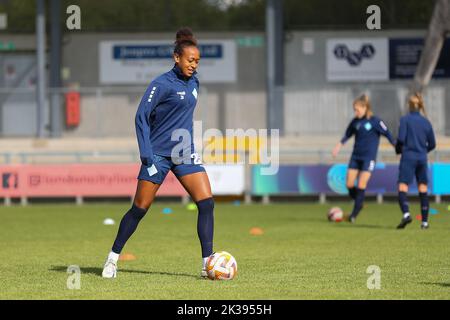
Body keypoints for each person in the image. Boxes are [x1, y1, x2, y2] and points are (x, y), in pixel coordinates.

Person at [102, 28, 214, 278]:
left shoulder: (194, 82)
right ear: (177, 58)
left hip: (185, 153)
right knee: (140, 209)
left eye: (197, 61)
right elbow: (141, 117)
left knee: (206, 203)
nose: (194, 65)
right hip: (158, 156)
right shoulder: (161, 84)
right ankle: (112, 259)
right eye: (190, 60)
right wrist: (147, 156)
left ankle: (208, 264)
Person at [332, 94, 395, 223]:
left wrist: (396, 146)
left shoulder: (376, 121)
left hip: (368, 158)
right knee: (349, 184)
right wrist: (338, 145)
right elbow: (347, 134)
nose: (356, 112)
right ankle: (359, 202)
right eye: (354, 110)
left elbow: (388, 133)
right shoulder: (355, 121)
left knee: (361, 184)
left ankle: (354, 215)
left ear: (365, 107)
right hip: (355, 157)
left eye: (357, 109)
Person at [396, 93, 436, 229]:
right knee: (423, 188)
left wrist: (398, 149)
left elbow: (401, 139)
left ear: (409, 105)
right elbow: (432, 143)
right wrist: (423, 151)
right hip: (422, 158)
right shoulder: (426, 122)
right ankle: (424, 223)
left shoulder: (405, 119)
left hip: (408, 157)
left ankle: (406, 214)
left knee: (402, 187)